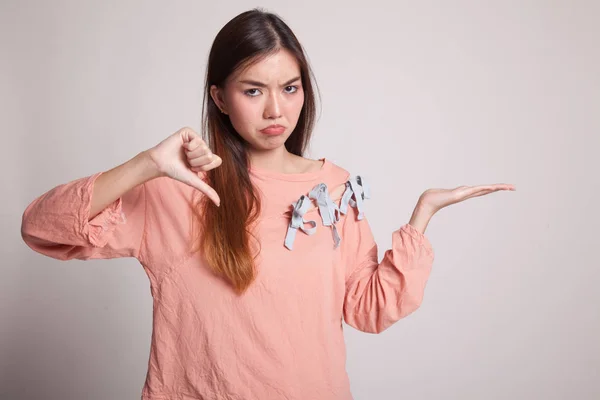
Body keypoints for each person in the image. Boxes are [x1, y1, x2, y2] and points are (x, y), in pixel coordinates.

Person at [20, 8, 515, 400]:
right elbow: (41, 228)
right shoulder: (179, 188)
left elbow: (368, 309)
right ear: (219, 98)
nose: (276, 110)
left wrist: (421, 217)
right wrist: (146, 164)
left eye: (290, 88)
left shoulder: (334, 189)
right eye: (253, 90)